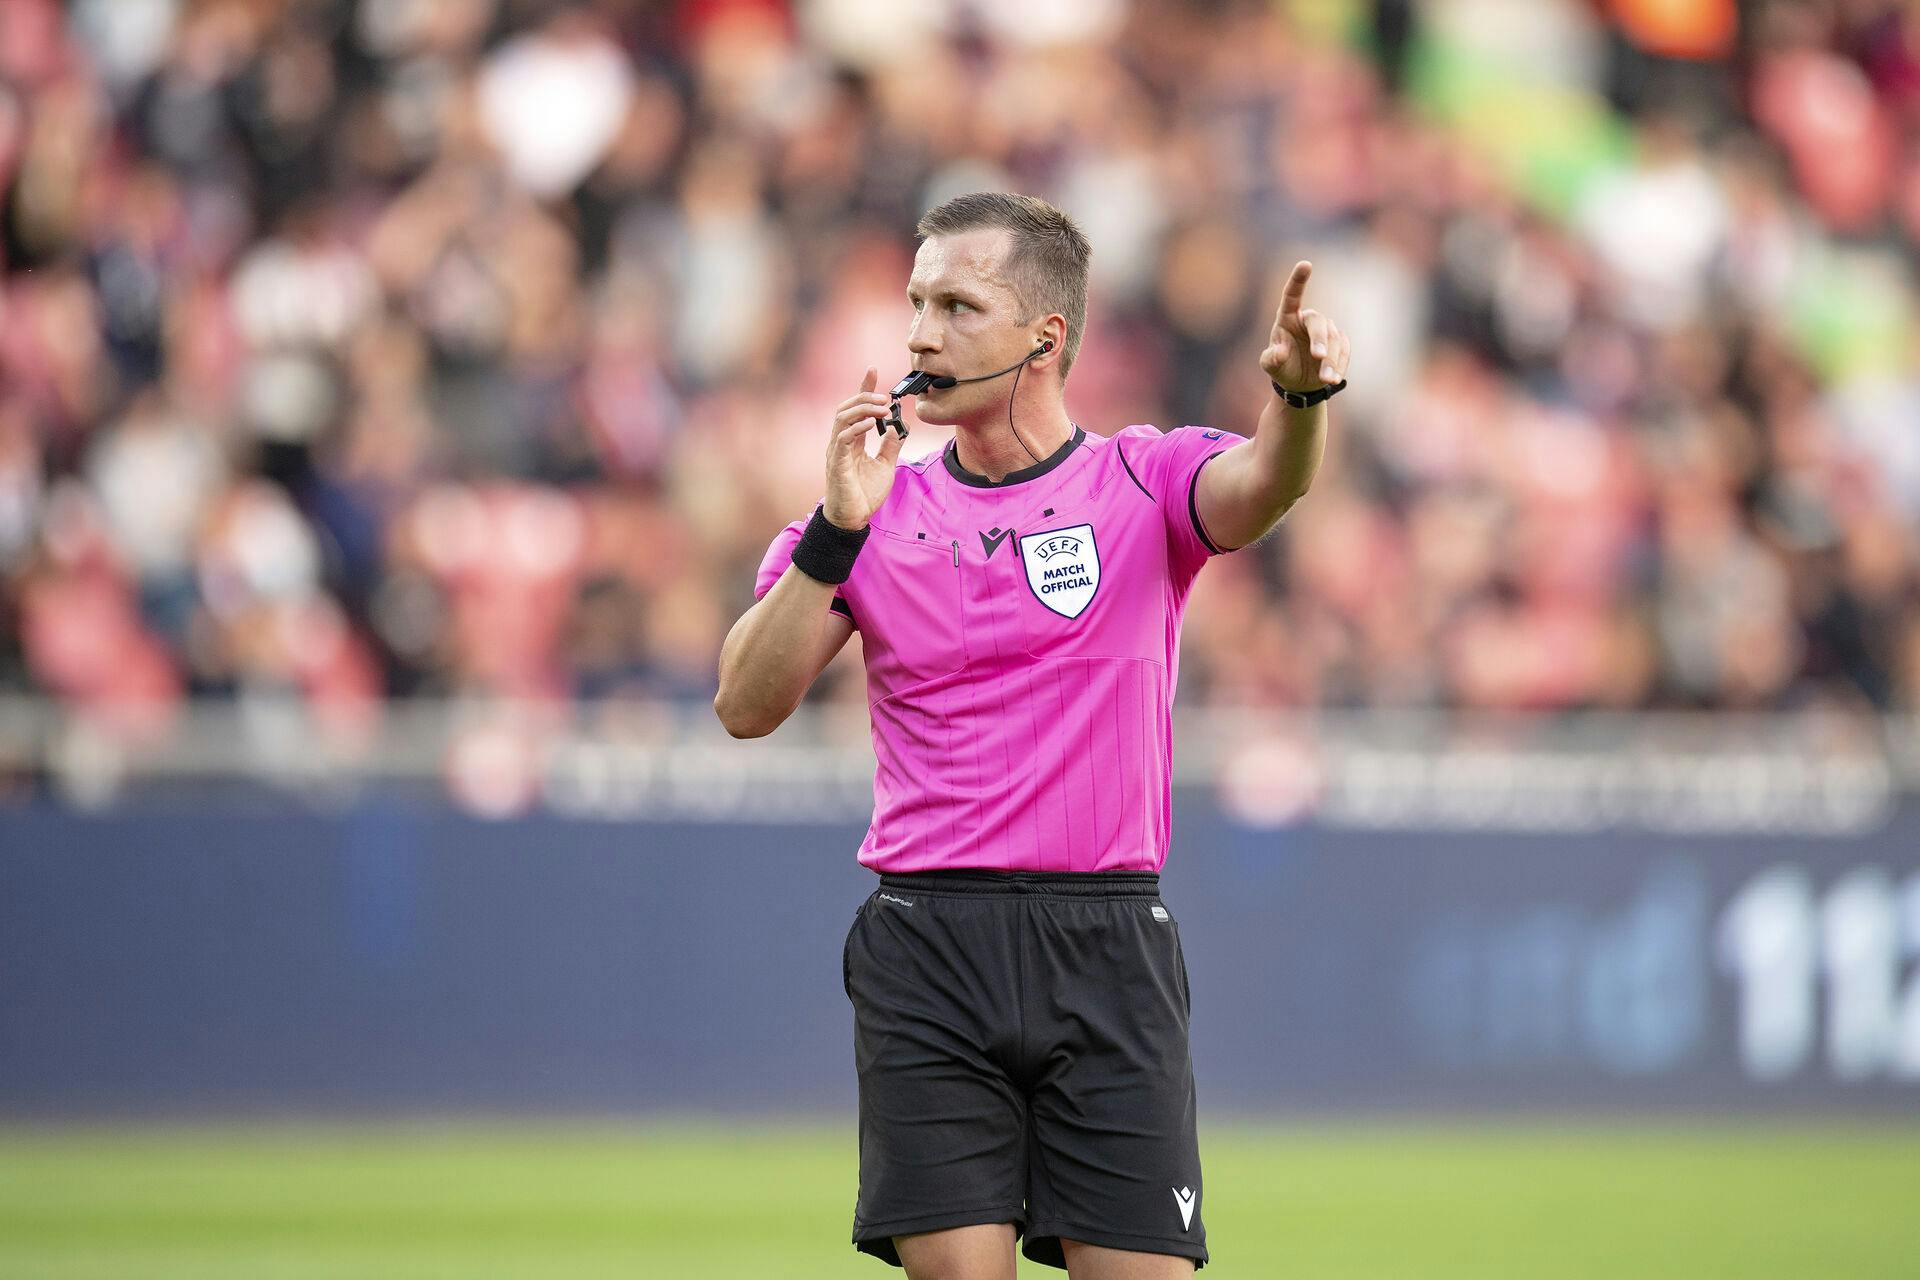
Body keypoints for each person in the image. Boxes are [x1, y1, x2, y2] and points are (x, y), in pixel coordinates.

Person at [714, 192, 1349, 1279]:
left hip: (1106, 941)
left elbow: (1262, 485)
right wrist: (835, 527)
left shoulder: (1142, 480)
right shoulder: (871, 513)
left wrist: (1295, 395)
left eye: (958, 305)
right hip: (930, 938)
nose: (920, 332)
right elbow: (745, 701)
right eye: (915, 301)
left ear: (1044, 337)